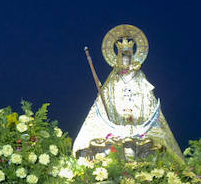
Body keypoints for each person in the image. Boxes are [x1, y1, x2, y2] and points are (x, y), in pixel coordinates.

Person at [73, 25, 183, 158]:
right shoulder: (113, 78)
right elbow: (103, 102)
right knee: (98, 144)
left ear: (132, 56)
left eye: (128, 56)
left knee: (153, 146)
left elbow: (149, 102)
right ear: (118, 56)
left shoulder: (140, 77)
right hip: (114, 129)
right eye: (122, 55)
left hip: (139, 129)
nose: (125, 59)